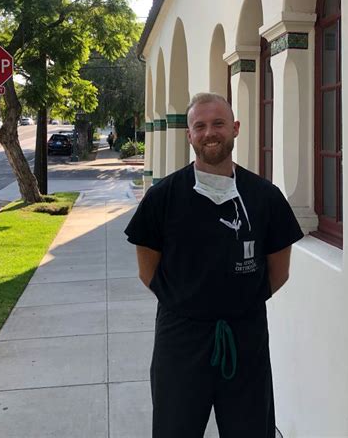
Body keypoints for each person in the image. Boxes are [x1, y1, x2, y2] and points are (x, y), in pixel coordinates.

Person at [124, 93, 304, 438]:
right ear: (189, 135)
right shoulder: (164, 197)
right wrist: (187, 302)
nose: (210, 133)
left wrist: (239, 303)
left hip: (245, 336)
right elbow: (147, 269)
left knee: (250, 429)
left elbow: (278, 271)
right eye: (200, 126)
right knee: (175, 428)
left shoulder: (264, 196)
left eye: (218, 124)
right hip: (180, 338)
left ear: (235, 129)